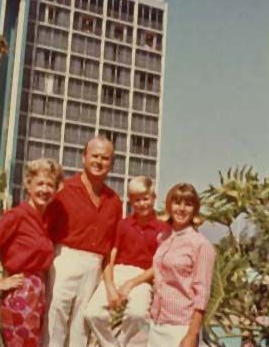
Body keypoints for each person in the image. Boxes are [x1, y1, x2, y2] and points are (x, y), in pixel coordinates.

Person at [0, 158, 64, 347]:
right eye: (40, 184)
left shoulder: (45, 220)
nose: (45, 190)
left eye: (50, 185)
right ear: (28, 186)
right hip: (20, 294)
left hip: (38, 294)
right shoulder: (17, 215)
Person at [42, 136, 122, 347]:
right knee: (55, 318)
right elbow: (44, 231)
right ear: (84, 157)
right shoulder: (63, 191)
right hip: (65, 259)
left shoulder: (114, 201)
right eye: (94, 155)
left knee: (80, 329)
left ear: (111, 163)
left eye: (105, 158)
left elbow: (111, 246)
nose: (99, 161)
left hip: (94, 265)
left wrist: (109, 282)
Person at [118, 183, 216, 347]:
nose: (182, 209)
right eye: (177, 203)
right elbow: (157, 274)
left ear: (195, 209)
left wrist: (192, 335)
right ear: (170, 205)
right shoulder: (163, 238)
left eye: (188, 204)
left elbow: (202, 295)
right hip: (157, 323)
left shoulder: (201, 245)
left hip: (181, 326)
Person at [84, 176, 170, 347]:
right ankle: (111, 344)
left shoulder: (163, 229)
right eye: (136, 200)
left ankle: (121, 342)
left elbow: (157, 266)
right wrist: (110, 286)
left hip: (142, 277)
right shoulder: (123, 225)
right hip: (118, 271)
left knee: (137, 315)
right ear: (130, 201)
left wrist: (131, 283)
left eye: (145, 198)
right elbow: (111, 256)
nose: (142, 204)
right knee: (92, 314)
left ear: (153, 198)